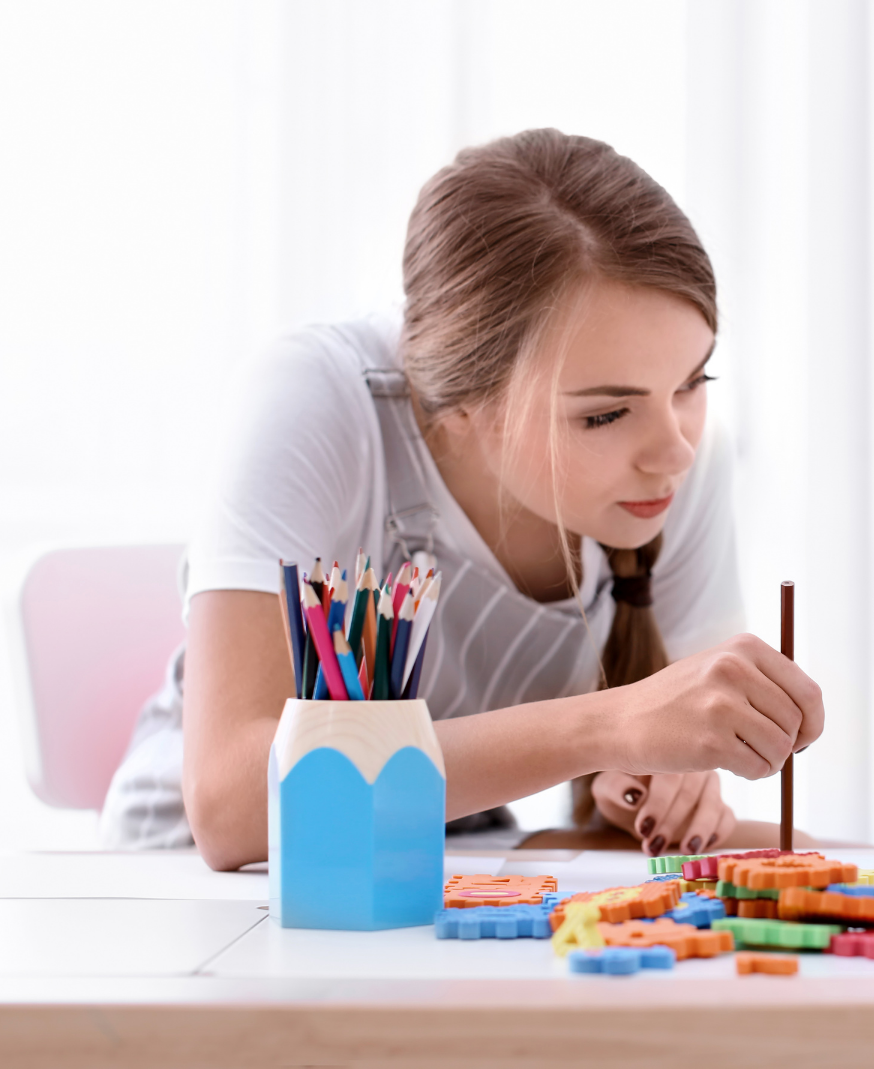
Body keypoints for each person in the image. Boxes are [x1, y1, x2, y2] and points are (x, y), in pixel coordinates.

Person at [100, 129, 824, 870]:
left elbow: (667, 769)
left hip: (444, 863)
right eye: (605, 414)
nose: (675, 447)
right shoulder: (316, 399)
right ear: (460, 410)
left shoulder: (673, 465)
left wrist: (671, 788)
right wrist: (609, 726)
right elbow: (231, 802)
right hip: (200, 879)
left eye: (693, 381)